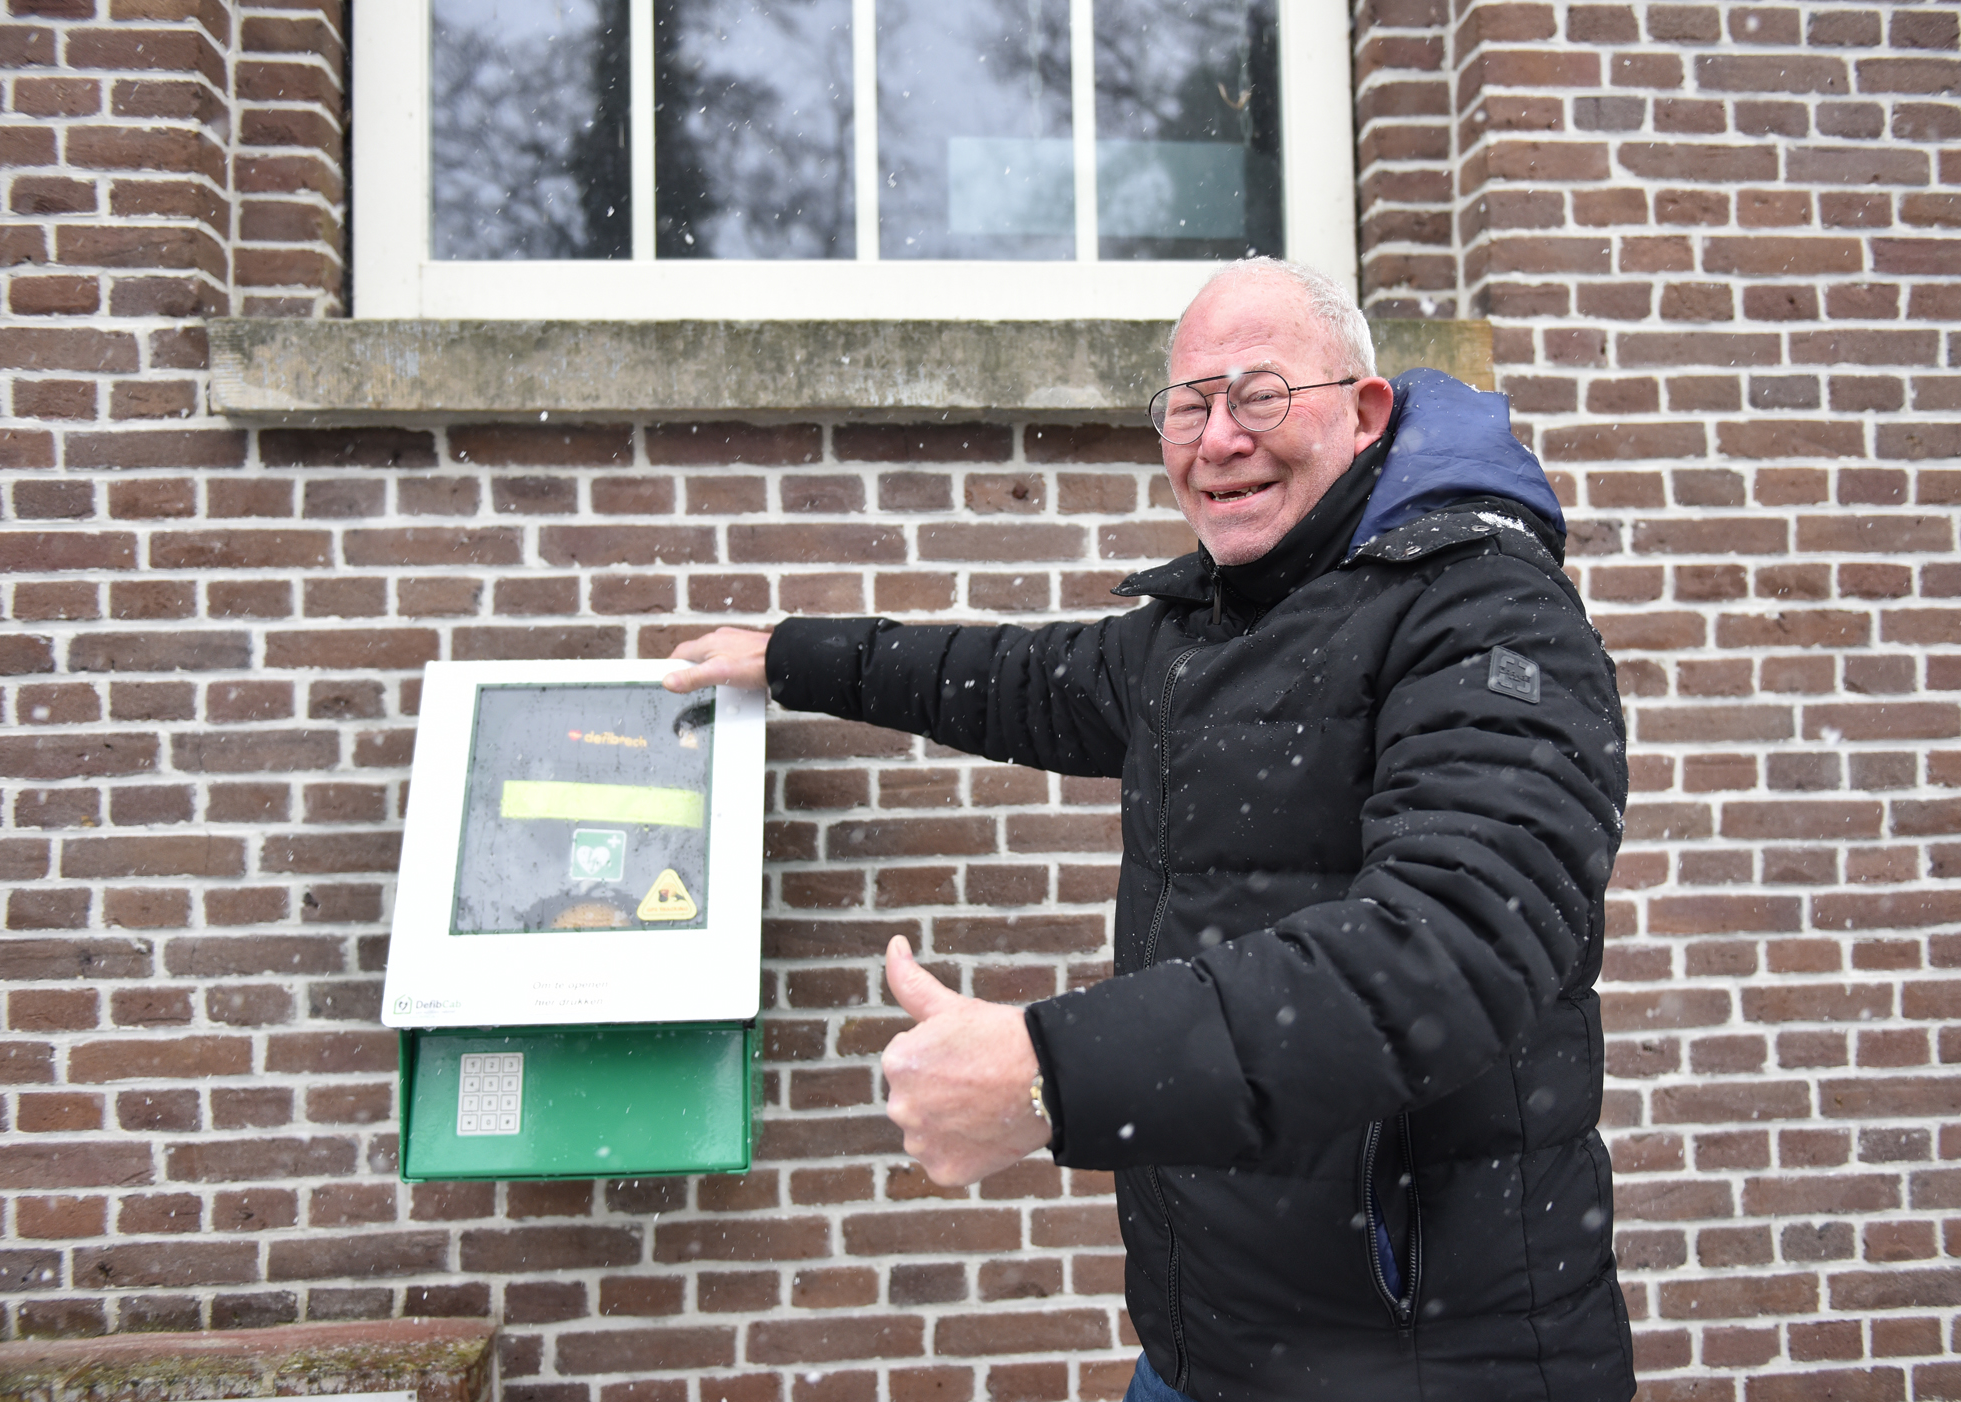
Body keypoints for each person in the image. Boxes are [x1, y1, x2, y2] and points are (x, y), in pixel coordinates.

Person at [668, 258, 1632, 1402]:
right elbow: (1014, 675)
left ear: (1367, 410)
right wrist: (790, 656)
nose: (1217, 438)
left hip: (1425, 1364)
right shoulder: (1210, 627)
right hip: (1200, 1347)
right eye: (1189, 404)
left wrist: (1049, 1073)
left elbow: (1452, 946)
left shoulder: (1487, 613)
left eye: (1260, 395)